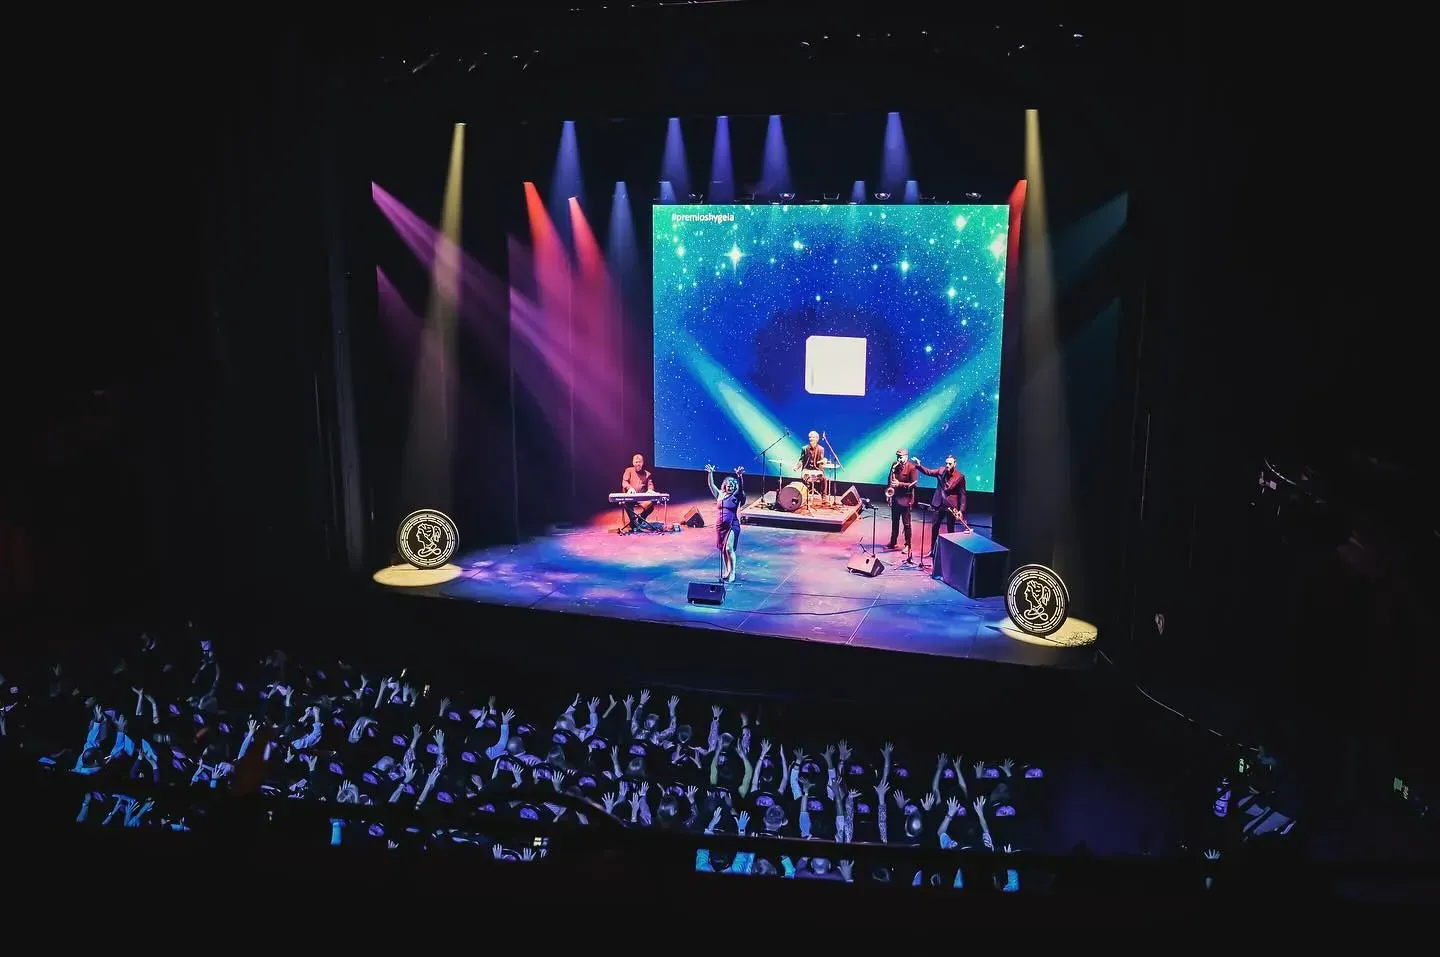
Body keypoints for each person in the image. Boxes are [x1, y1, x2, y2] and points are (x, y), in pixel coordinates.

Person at [914, 454, 969, 578]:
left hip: (951, 506)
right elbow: (928, 471)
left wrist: (961, 510)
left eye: (950, 464)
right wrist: (919, 465)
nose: (947, 465)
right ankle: (933, 550)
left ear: (955, 464)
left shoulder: (960, 477)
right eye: (946, 463)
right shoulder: (941, 471)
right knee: (935, 527)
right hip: (938, 503)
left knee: (950, 529)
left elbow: (963, 495)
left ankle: (950, 551)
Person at [705, 464, 746, 583]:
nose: (730, 487)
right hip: (720, 526)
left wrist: (739, 476)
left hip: (732, 525)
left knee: (729, 548)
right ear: (724, 486)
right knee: (723, 549)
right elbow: (711, 485)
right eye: (728, 485)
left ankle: (732, 572)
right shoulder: (720, 495)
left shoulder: (736, 496)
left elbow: (741, 488)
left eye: (732, 486)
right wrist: (710, 473)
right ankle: (727, 570)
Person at [885, 448, 919, 554]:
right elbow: (890, 478)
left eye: (901, 457)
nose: (899, 459)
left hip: (906, 498)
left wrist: (900, 484)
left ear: (906, 457)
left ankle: (908, 545)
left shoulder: (912, 468)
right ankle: (893, 541)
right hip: (895, 497)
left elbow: (914, 484)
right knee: (895, 521)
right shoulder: (894, 465)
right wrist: (889, 492)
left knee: (906, 524)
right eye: (897, 457)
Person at [619, 454, 657, 533]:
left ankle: (640, 520)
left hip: (641, 498)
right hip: (630, 498)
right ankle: (633, 524)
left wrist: (650, 490)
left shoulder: (647, 474)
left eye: (640, 462)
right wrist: (630, 488)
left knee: (650, 506)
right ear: (633, 463)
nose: (638, 464)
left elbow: (650, 484)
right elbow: (624, 482)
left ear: (642, 463)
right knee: (627, 504)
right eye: (636, 462)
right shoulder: (628, 470)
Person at [797, 431, 828, 500]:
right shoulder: (804, 448)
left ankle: (824, 496)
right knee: (804, 477)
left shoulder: (821, 449)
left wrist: (823, 461)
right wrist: (797, 467)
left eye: (813, 437)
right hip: (807, 469)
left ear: (817, 439)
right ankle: (804, 495)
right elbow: (801, 460)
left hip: (817, 469)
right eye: (810, 437)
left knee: (824, 479)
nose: (811, 439)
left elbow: (822, 460)